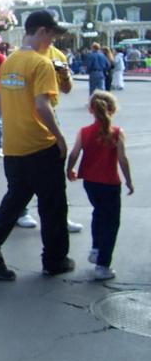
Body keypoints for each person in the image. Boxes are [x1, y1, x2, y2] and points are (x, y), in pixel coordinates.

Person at [0, 10, 74, 281]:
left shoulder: (10, 62)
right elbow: (42, 105)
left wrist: (14, 124)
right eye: (51, 36)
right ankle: (55, 259)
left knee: (15, 201)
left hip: (14, 146)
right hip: (40, 144)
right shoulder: (41, 63)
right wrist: (59, 137)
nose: (52, 42)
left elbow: (1, 102)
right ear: (42, 31)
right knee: (52, 204)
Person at [16, 42, 83, 233]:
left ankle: (59, 216)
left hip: (49, 112)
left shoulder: (58, 55)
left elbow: (67, 88)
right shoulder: (23, 55)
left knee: (54, 167)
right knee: (25, 167)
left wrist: (65, 74)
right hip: (26, 114)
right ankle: (20, 211)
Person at [66, 91, 134, 280]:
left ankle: (96, 249)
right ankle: (103, 265)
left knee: (98, 212)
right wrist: (129, 181)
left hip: (90, 182)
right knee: (111, 222)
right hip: (110, 183)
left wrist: (69, 169)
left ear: (91, 110)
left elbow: (74, 153)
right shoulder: (117, 133)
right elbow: (122, 159)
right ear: (113, 110)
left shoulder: (84, 131)